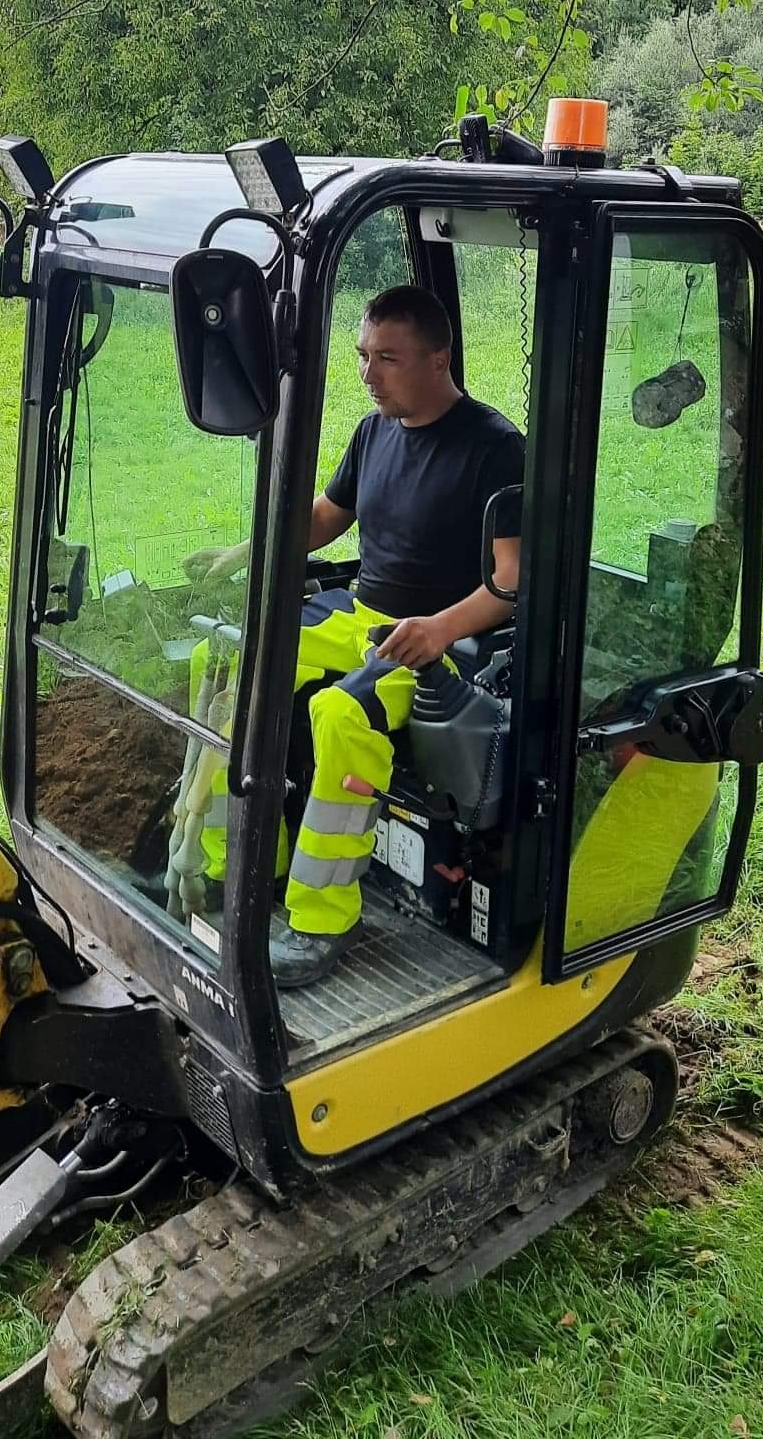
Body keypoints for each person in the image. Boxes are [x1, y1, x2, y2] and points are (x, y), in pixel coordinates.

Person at [186, 284, 524, 988]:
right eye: (363, 356)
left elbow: (511, 579)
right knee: (224, 659)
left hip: (437, 641)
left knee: (341, 713)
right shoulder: (373, 432)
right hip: (358, 613)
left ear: (439, 358)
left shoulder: (495, 449)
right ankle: (238, 868)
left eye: (388, 358)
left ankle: (320, 918)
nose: (368, 374)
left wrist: (438, 628)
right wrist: (251, 550)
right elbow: (325, 517)